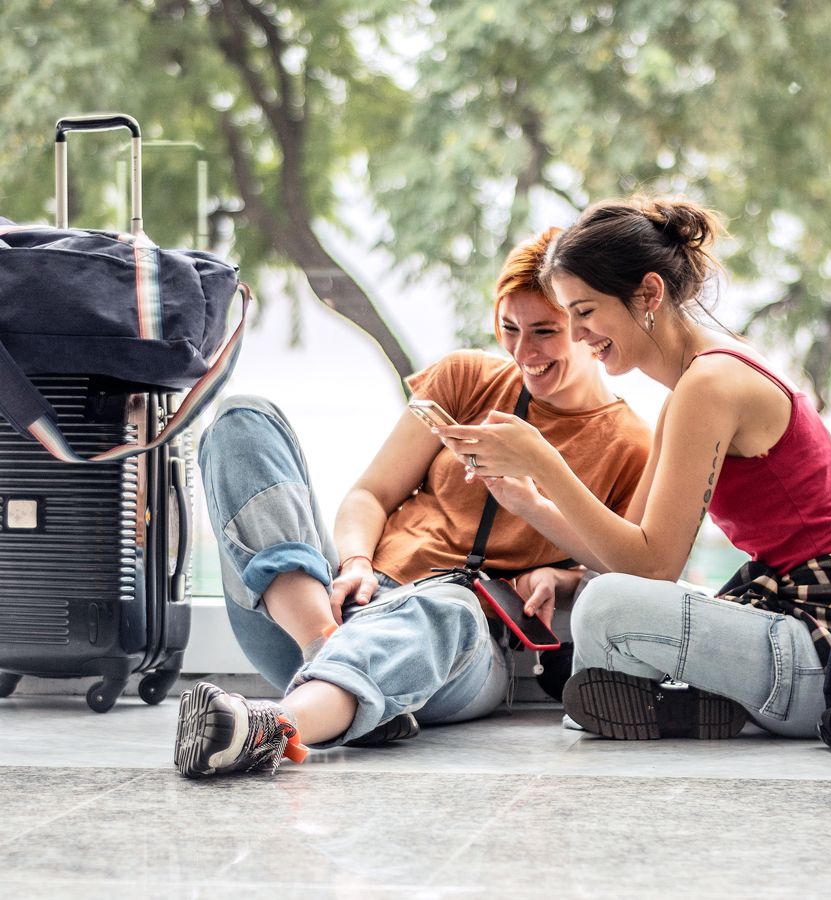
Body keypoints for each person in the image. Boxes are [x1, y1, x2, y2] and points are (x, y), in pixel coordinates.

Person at [173, 228, 651, 777]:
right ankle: (326, 649)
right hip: (323, 611)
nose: (523, 353)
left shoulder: (632, 445)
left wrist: (561, 576)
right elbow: (370, 495)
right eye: (510, 329)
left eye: (544, 331)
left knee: (447, 605)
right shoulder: (465, 379)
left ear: (590, 329)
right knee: (242, 419)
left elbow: (626, 572)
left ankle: (271, 728)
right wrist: (353, 563)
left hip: (454, 647)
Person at [438, 198, 831, 740]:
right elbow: (624, 558)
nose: (578, 334)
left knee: (606, 608)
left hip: (825, 648)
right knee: (603, 595)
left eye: (585, 312)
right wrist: (529, 501)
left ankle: (663, 704)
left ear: (649, 294)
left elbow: (653, 569)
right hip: (798, 635)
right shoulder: (692, 386)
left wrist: (545, 460)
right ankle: (673, 705)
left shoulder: (710, 384)